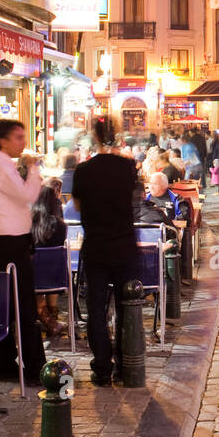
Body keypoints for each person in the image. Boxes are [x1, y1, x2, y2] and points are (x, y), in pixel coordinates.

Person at [0, 119, 46, 385]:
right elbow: (27, 195)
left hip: (9, 241)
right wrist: (32, 168)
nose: (23, 142)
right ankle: (31, 366)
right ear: (3, 140)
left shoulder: (2, 166)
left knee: (11, 304)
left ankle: (9, 363)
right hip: (7, 243)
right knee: (21, 306)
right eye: (18, 137)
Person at [71, 138, 140, 386]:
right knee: (126, 306)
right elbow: (136, 199)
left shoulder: (83, 170)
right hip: (123, 244)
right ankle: (125, 364)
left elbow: (77, 205)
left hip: (97, 246)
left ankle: (102, 368)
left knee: (96, 310)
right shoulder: (126, 167)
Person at [31, 184, 67, 337]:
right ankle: (52, 317)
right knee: (50, 266)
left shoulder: (27, 223)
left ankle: (46, 317)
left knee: (36, 268)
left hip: (32, 277)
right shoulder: (60, 225)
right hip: (56, 277)